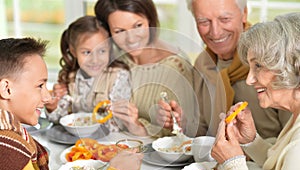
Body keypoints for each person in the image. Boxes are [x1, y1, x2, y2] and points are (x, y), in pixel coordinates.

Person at [0, 37, 143, 170]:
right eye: (40, 86)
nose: (47, 97)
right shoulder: (7, 153)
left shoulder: (12, 138)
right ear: (6, 89)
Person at [158, 0, 291, 138]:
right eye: (204, 21)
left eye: (225, 19)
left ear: (244, 13)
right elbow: (204, 133)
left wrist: (249, 151)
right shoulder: (202, 64)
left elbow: (293, 138)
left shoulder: (274, 61)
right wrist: (183, 123)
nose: (215, 32)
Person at [211, 12, 300, 170]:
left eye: (258, 66)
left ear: (292, 67)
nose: (250, 80)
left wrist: (234, 164)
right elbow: (278, 167)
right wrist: (251, 141)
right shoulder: (296, 118)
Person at [94, 0, 198, 138]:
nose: (131, 39)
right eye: (119, 31)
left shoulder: (176, 67)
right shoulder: (115, 59)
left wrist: (138, 127)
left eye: (138, 26)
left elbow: (184, 134)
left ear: (150, 20)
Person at [45, 16, 131, 132]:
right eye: (87, 52)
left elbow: (119, 124)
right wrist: (52, 107)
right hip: (76, 143)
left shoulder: (118, 76)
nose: (95, 60)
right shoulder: (70, 77)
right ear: (74, 51)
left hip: (109, 142)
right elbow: (59, 120)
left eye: (101, 51)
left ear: (109, 49)